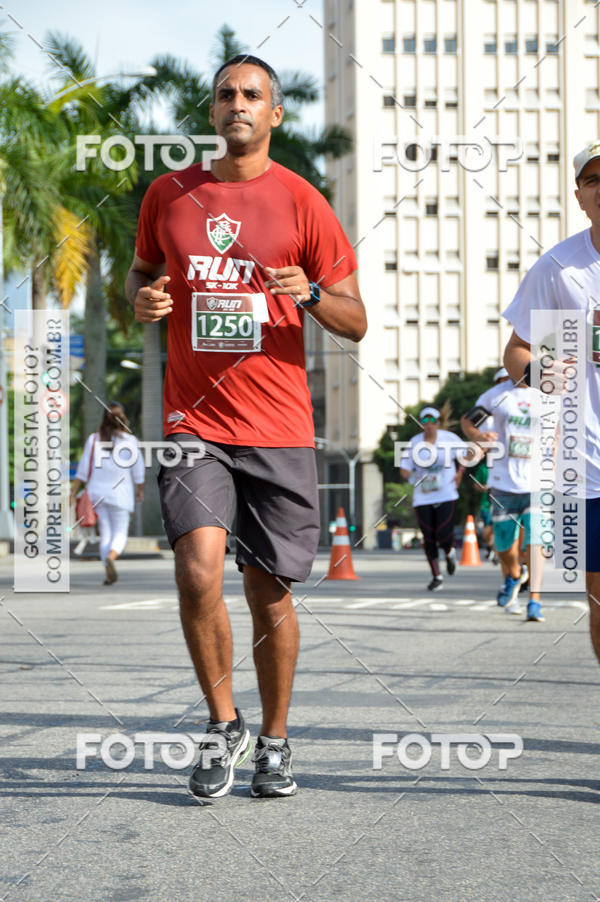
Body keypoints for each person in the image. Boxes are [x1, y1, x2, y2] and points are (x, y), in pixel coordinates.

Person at [125, 54, 367, 798]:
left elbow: (355, 321)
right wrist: (141, 299)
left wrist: (312, 293)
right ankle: (222, 723)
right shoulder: (169, 194)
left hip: (279, 424)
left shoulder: (303, 201)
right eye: (226, 93)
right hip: (194, 422)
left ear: (274, 114)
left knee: (269, 590)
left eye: (253, 94)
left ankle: (276, 739)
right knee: (197, 567)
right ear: (212, 111)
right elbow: (140, 273)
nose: (238, 103)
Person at [503, 141, 600, 656]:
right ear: (579, 195)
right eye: (594, 180)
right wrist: (542, 372)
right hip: (590, 466)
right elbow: (517, 351)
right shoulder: (561, 269)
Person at [461, 378, 552, 620]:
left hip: (537, 483)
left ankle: (535, 600)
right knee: (503, 546)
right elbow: (469, 422)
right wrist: (479, 439)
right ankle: (513, 575)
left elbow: (560, 431)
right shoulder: (495, 398)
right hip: (503, 484)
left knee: (536, 540)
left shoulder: (548, 393)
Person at [70, 403, 145, 585]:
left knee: (106, 532)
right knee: (120, 532)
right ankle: (112, 556)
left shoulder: (94, 439)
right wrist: (140, 489)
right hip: (121, 493)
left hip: (97, 493)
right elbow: (138, 469)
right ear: (123, 419)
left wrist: (73, 492)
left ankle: (107, 571)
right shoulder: (130, 441)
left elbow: (83, 469)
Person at [399, 407, 472, 591]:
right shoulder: (414, 442)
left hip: (446, 493)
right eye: (425, 421)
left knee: (443, 533)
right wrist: (408, 474)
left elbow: (467, 455)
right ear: (421, 423)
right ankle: (436, 576)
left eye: (433, 421)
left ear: (438, 422)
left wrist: (460, 472)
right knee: (428, 537)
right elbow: (404, 467)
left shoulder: (449, 439)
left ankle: (449, 551)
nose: (429, 425)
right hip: (423, 496)